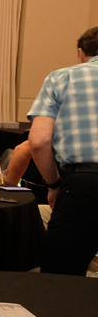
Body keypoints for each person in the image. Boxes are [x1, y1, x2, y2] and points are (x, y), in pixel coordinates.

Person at [28, 26, 98, 275]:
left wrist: (54, 184)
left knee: (61, 280)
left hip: (84, 185)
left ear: (81, 53)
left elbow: (39, 141)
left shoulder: (62, 78)